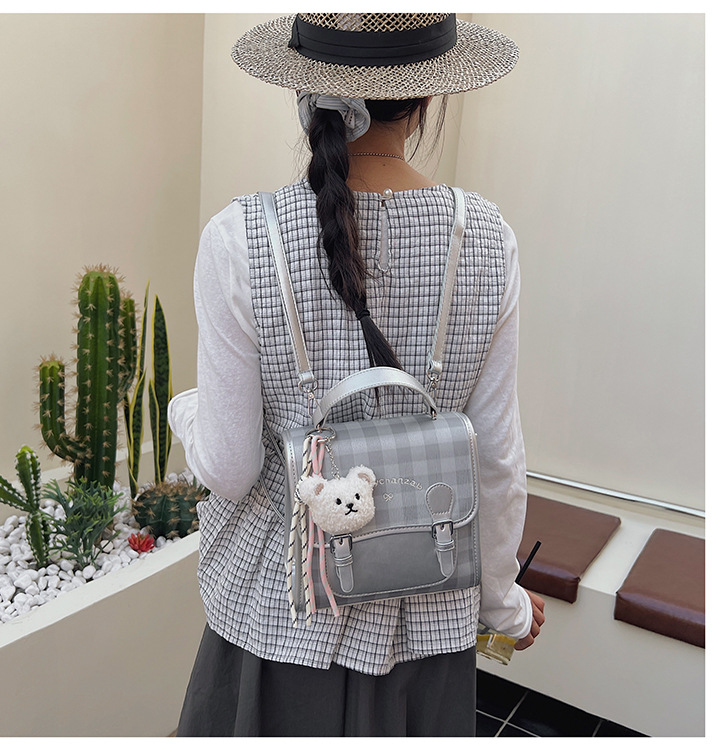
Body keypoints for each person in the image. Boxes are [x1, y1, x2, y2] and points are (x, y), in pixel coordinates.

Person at [168, 13, 545, 737]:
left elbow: (230, 469)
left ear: (307, 95)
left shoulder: (239, 238)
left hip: (278, 626)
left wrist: (186, 408)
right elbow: (497, 458)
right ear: (427, 100)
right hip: (427, 622)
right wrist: (505, 606)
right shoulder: (487, 238)